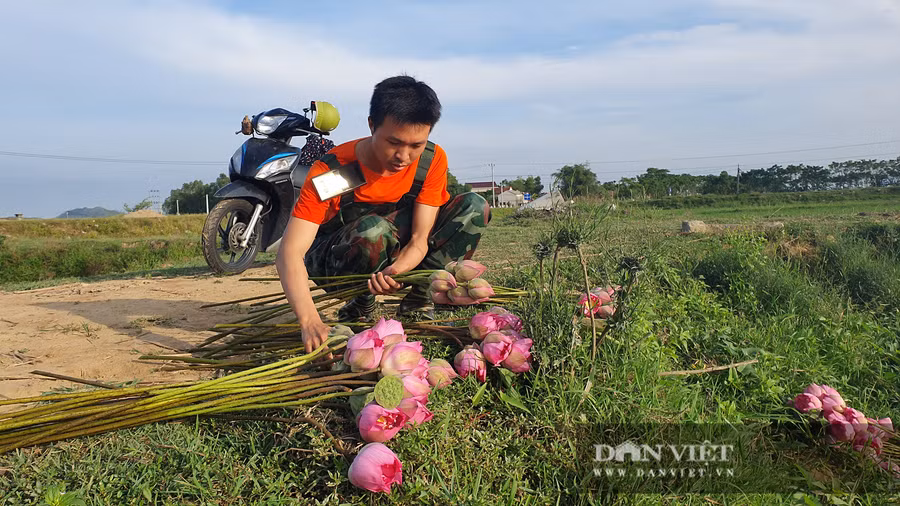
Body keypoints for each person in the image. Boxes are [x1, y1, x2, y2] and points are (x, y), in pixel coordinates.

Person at [276, 75, 491, 354]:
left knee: (474, 206)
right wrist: (309, 321)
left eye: (416, 145)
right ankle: (359, 302)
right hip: (338, 262)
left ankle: (420, 298)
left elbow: (419, 239)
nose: (403, 156)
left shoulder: (430, 161)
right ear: (371, 125)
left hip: (398, 253)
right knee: (373, 230)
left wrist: (397, 271)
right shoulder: (335, 172)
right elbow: (290, 253)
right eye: (393, 142)